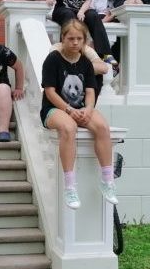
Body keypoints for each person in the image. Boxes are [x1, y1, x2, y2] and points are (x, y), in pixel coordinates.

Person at [40, 19, 118, 210]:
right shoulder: (53, 59)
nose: (75, 42)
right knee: (69, 127)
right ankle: (70, 187)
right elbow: (50, 92)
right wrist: (69, 110)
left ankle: (107, 181)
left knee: (102, 127)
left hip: (81, 108)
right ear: (63, 38)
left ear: (85, 40)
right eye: (71, 38)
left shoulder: (86, 62)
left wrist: (88, 109)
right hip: (55, 109)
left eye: (79, 39)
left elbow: (90, 91)